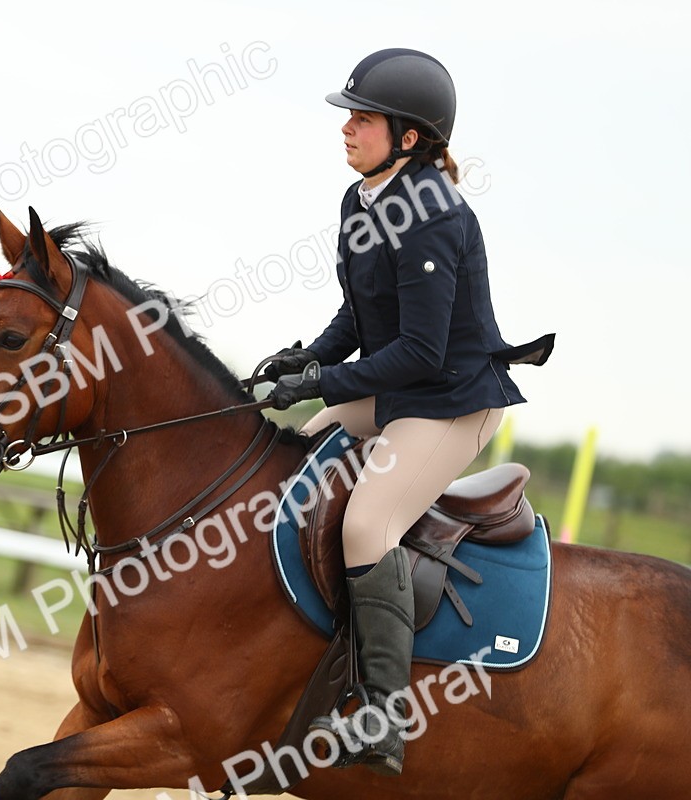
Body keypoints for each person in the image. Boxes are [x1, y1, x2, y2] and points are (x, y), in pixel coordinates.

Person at [266, 48, 553, 776]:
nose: (348, 128)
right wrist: (304, 362)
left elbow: (423, 353)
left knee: (368, 522)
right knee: (304, 444)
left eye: (363, 118)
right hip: (401, 390)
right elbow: (358, 316)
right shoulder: (360, 200)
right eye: (349, 116)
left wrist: (325, 379)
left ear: (411, 137)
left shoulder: (432, 219)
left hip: (451, 402)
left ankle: (383, 718)